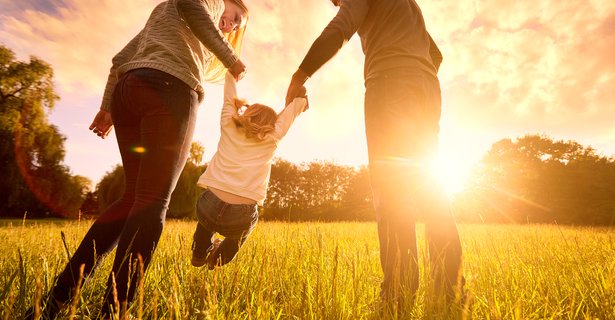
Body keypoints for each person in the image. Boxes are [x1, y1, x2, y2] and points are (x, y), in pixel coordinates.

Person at [27, 0, 249, 318]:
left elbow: (120, 59)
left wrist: (107, 108)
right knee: (152, 202)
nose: (235, 24)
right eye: (237, 15)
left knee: (132, 199)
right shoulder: (209, 3)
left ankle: (52, 304)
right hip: (170, 90)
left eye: (240, 25)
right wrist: (230, 58)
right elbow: (191, 4)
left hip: (129, 92)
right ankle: (114, 311)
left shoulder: (165, 13)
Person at [285, 0, 463, 308]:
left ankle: (398, 294)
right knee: (429, 187)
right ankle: (449, 292)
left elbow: (339, 30)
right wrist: (415, 71)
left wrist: (300, 75)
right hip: (426, 88)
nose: (337, 3)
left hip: (390, 85)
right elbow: (436, 54)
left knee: (391, 189)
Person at [191, 72, 308, 270]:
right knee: (239, 235)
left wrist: (231, 74)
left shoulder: (229, 124)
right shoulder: (273, 137)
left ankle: (199, 253)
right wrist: (300, 99)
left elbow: (229, 97)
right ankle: (217, 259)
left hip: (209, 204)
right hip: (241, 214)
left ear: (247, 113)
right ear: (272, 125)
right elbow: (291, 113)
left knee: (206, 222)